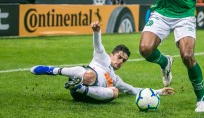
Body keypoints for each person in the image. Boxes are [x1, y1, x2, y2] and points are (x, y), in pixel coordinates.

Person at [31, 21, 174, 103]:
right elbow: (98, 45)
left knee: (116, 91)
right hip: (84, 79)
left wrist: (159, 92)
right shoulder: (103, 58)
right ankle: (53, 70)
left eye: (124, 60)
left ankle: (79, 87)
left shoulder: (116, 79)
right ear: (111, 55)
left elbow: (133, 90)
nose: (120, 62)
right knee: (89, 74)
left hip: (87, 95)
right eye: (119, 57)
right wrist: (96, 31)